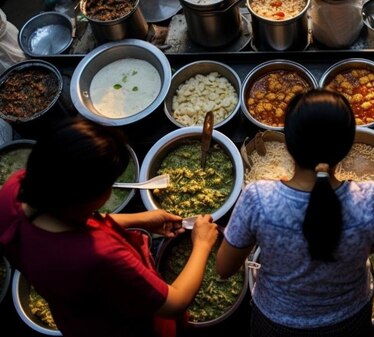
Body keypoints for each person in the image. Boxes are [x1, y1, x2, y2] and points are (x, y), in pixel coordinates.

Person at [0, 117, 219, 337]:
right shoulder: (100, 257)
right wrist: (202, 243)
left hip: (74, 313)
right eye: (108, 186)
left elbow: (72, 222)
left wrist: (139, 219)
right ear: (84, 197)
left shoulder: (14, 191)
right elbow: (175, 302)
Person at [216, 88, 374, 337]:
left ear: (289, 145)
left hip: (276, 324)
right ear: (348, 146)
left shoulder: (258, 198)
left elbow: (224, 268)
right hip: (350, 321)